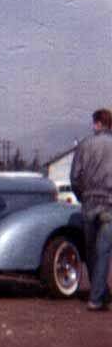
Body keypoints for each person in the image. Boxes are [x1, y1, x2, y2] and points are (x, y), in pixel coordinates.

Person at [70, 108, 112, 311]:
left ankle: (99, 292)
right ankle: (97, 297)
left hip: (88, 204)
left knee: (91, 252)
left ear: (96, 124)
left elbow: (75, 177)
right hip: (109, 205)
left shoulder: (84, 145)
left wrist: (82, 196)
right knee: (104, 251)